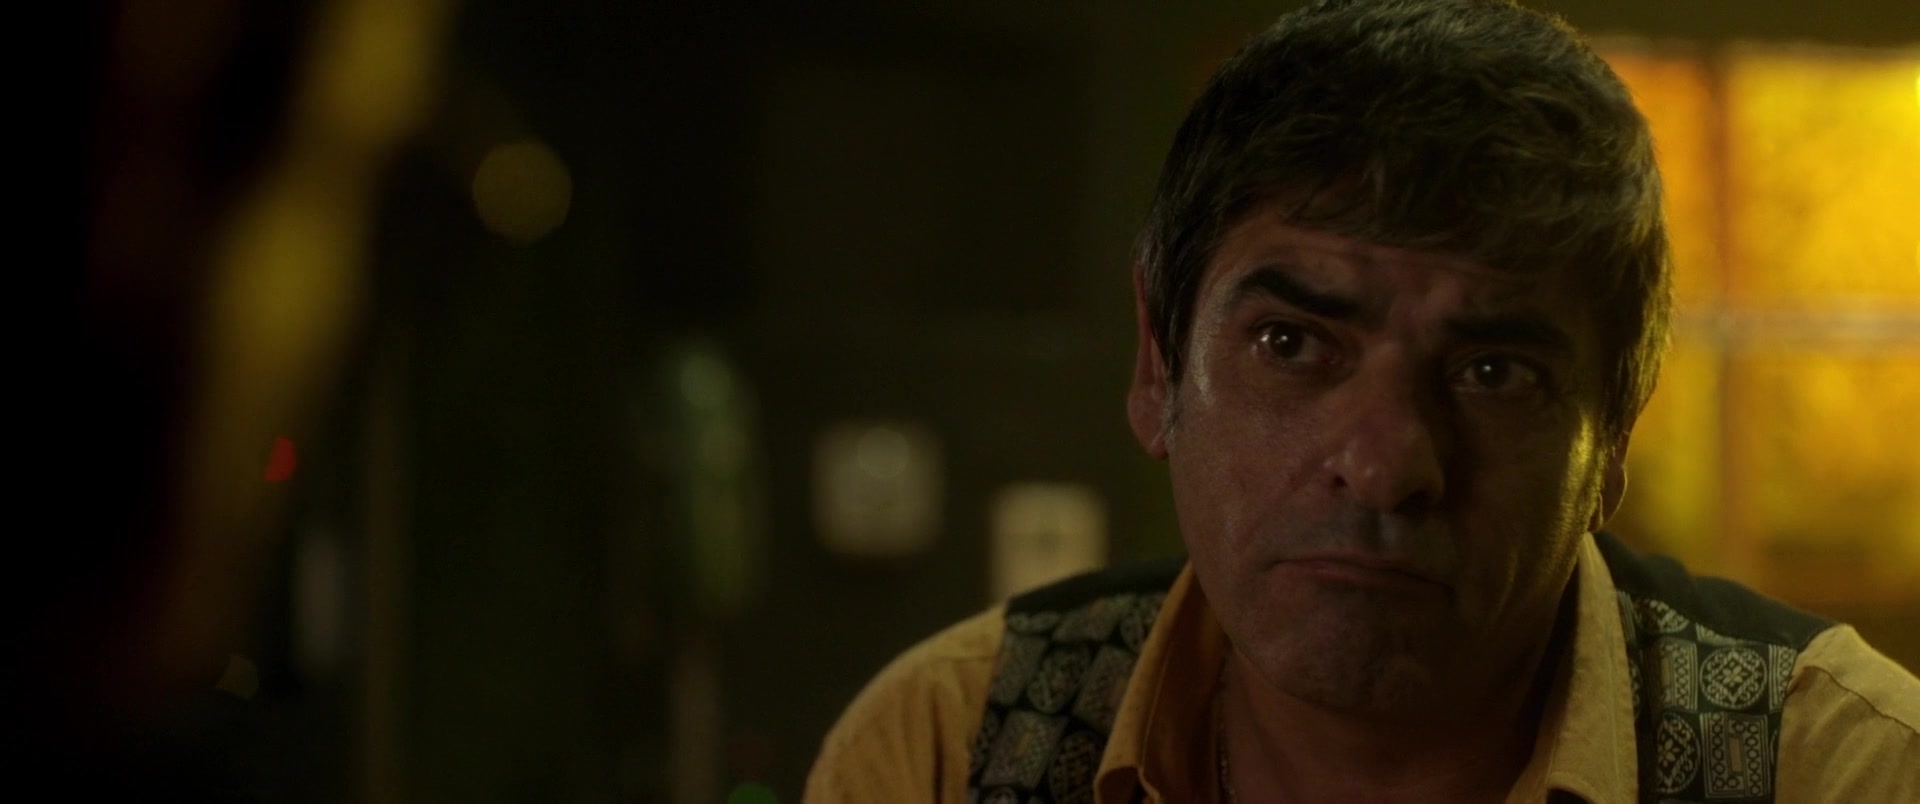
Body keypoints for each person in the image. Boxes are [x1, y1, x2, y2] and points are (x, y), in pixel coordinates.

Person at [804, 0, 1920, 802]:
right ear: (1158, 366)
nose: (1386, 465)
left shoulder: (1838, 771)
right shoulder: (953, 749)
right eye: (1291, 345)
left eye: (1493, 372)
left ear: (1613, 434)